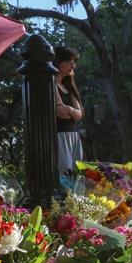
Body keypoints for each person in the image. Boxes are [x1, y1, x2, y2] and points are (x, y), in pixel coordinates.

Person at [53, 46, 84, 177]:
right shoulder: (51, 85)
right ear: (60, 62)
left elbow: (79, 115)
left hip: (74, 136)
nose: (73, 66)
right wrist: (72, 111)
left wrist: (69, 109)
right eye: (70, 61)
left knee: (77, 174)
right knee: (64, 174)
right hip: (60, 136)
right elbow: (60, 112)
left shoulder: (69, 87)